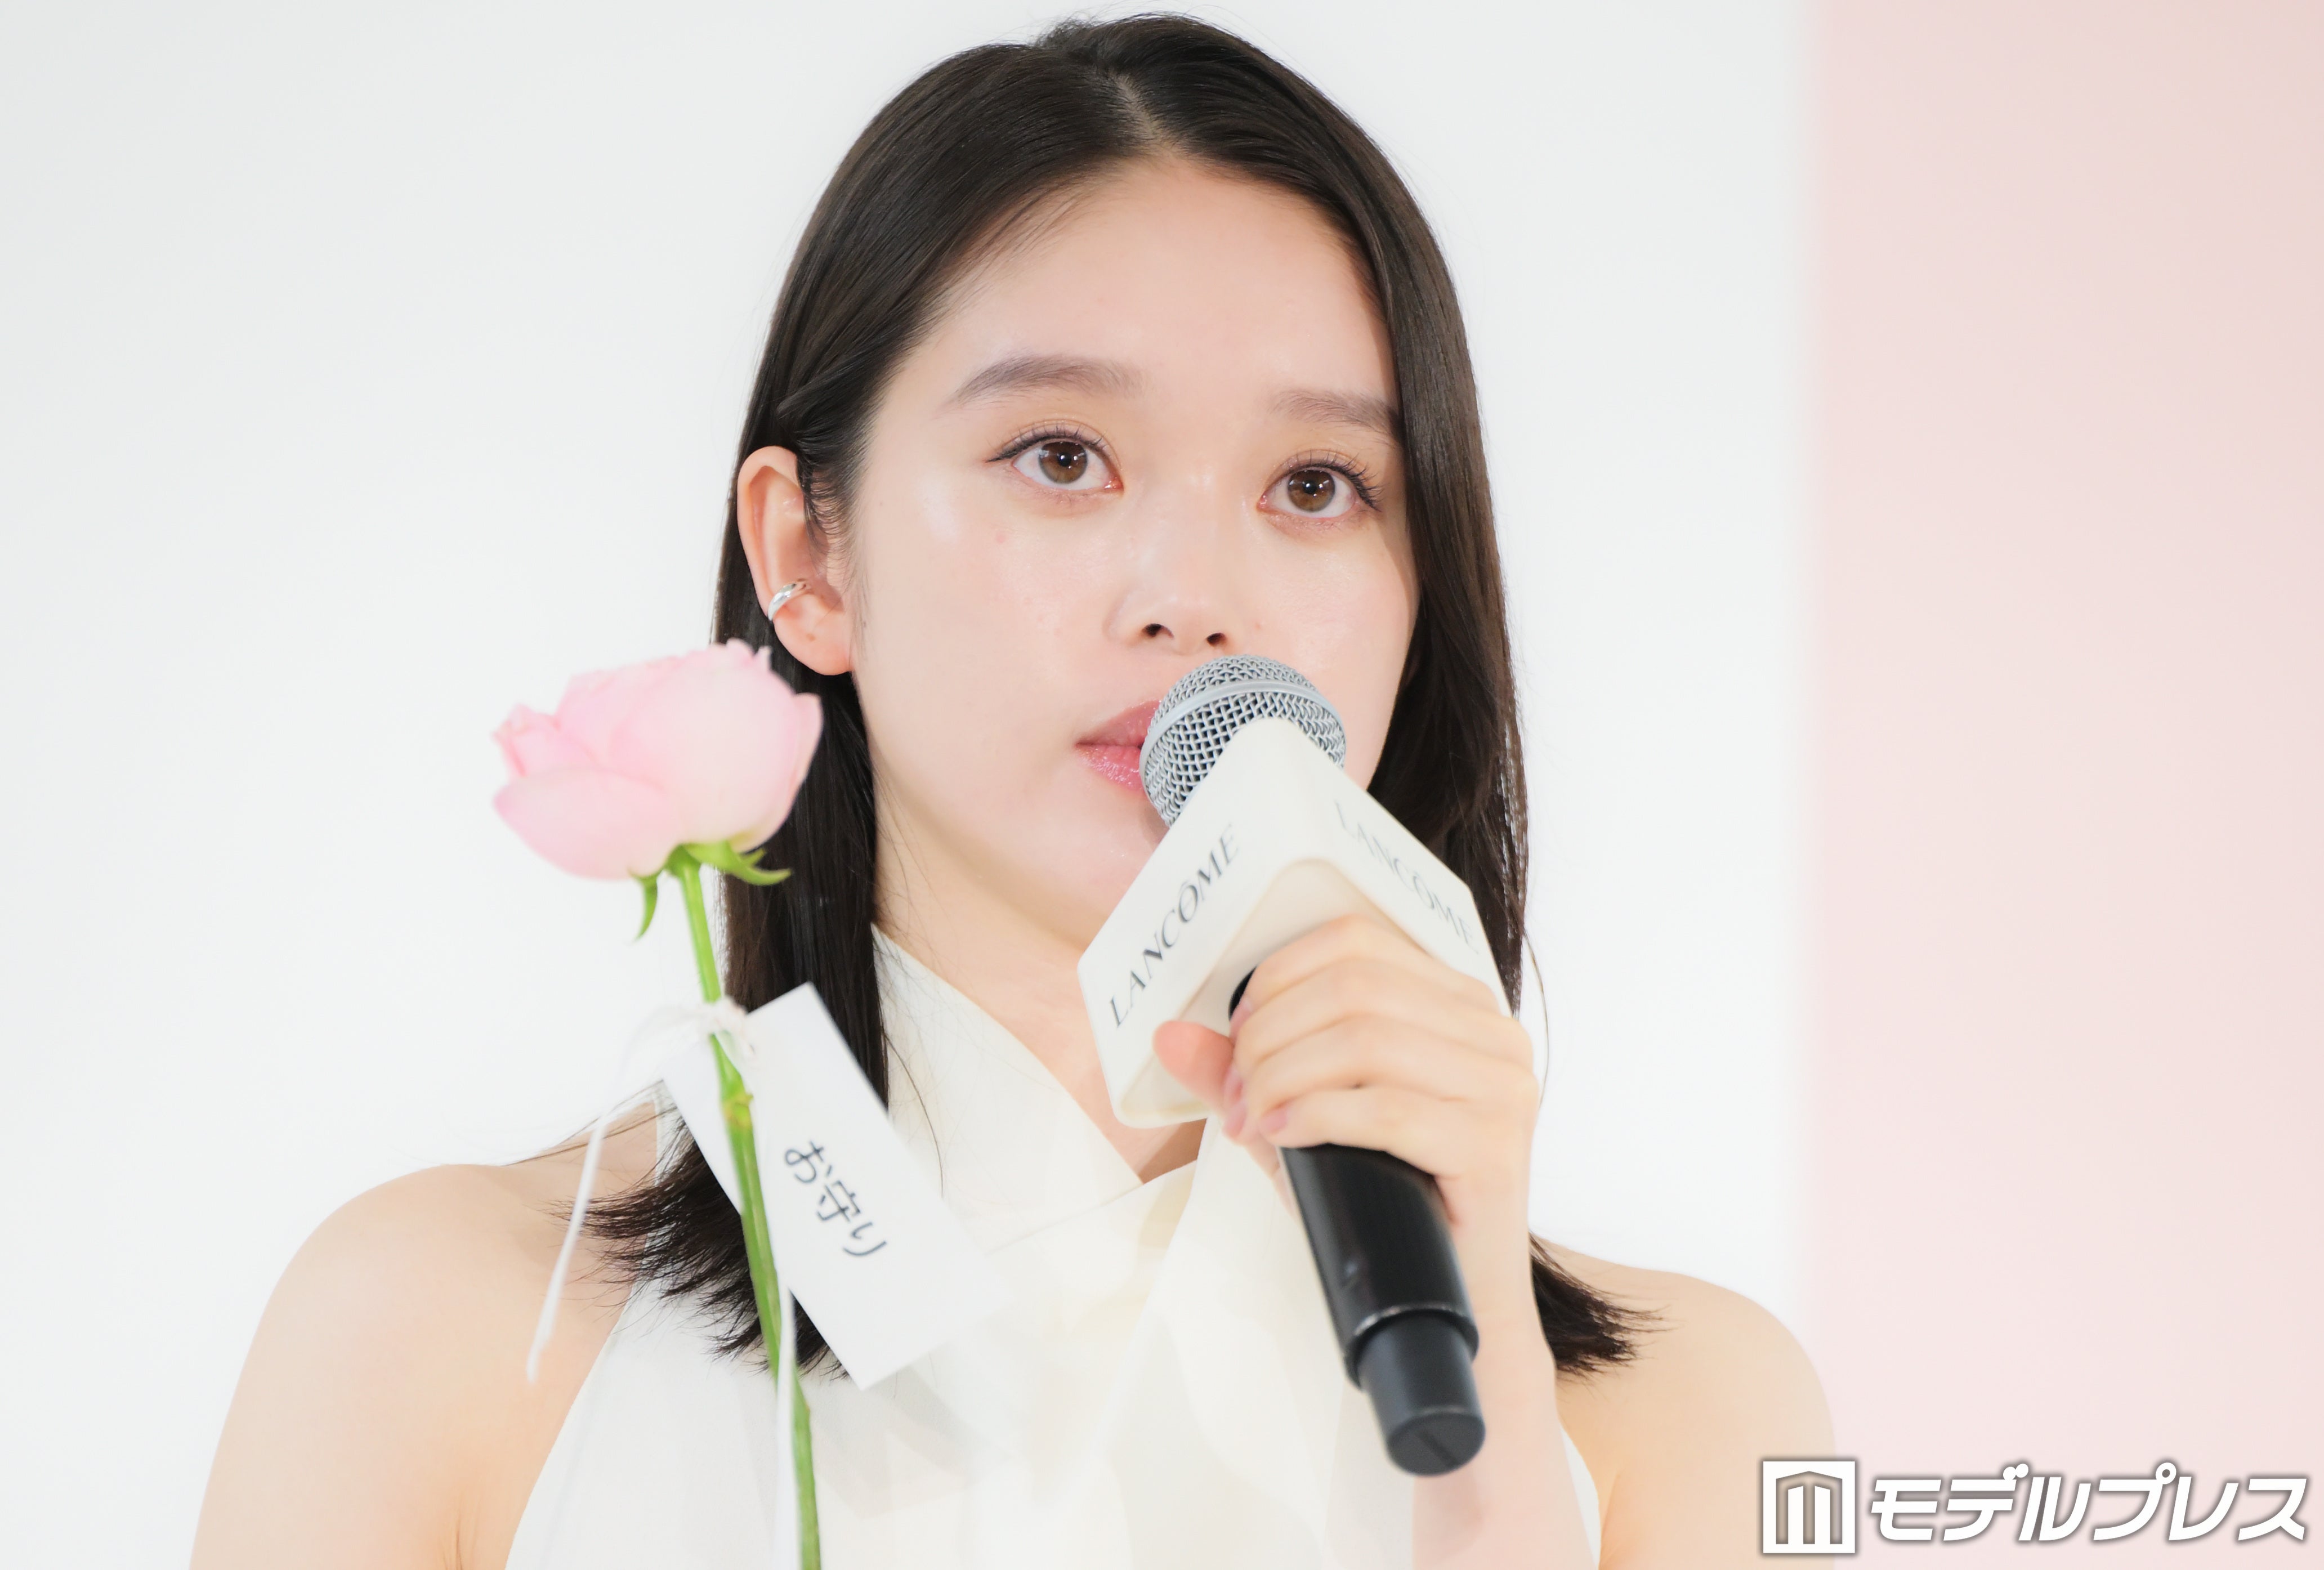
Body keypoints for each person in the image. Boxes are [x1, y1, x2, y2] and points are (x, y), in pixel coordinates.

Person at [193, 16, 1830, 1568]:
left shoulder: (1686, 1415)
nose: (1195, 597)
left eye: (1317, 484)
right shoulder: (442, 1330)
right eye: (1063, 457)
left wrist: (1491, 1483)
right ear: (806, 555)